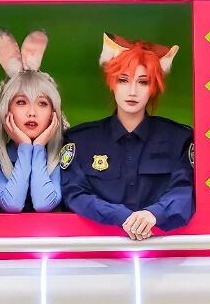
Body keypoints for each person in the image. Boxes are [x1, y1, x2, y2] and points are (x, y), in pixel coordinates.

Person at [62, 34, 194, 240]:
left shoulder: (179, 139)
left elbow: (185, 191)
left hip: (165, 251)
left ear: (153, 87)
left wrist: (154, 214)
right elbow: (74, 194)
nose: (132, 91)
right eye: (123, 80)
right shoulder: (80, 141)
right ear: (112, 83)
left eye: (143, 82)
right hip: (98, 251)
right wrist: (122, 217)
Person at [0, 29, 68, 213]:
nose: (32, 113)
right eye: (21, 102)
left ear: (53, 114)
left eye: (42, 103)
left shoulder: (64, 157)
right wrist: (25, 148)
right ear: (7, 110)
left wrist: (38, 147)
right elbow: (12, 204)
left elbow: (43, 203)